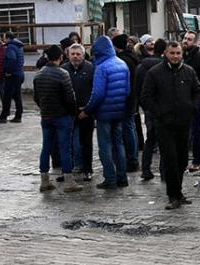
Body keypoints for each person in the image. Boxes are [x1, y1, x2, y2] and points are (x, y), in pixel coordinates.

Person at [141, 41, 200, 210]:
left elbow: (198, 91)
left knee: (182, 159)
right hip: (164, 123)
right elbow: (146, 97)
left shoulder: (188, 72)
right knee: (170, 159)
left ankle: (179, 191)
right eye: (172, 53)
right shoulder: (155, 73)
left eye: (178, 53)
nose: (175, 56)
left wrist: (193, 107)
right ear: (166, 54)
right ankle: (173, 195)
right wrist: (159, 112)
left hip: (184, 123)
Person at [80, 36, 130, 190]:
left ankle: (110, 178)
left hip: (104, 114)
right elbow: (127, 90)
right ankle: (122, 177)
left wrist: (87, 111)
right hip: (119, 111)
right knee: (119, 144)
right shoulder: (122, 64)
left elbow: (98, 94)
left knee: (105, 146)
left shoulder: (101, 68)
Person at [33, 44, 82, 194]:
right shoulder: (62, 74)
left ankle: (44, 180)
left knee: (46, 147)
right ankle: (69, 181)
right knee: (65, 148)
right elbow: (70, 98)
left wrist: (44, 108)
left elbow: (36, 97)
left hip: (46, 116)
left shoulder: (39, 74)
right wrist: (72, 112)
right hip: (61, 116)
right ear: (61, 57)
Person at [63, 43, 95, 182]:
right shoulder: (63, 69)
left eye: (78, 54)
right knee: (66, 142)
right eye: (73, 54)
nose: (75, 57)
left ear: (83, 55)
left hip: (86, 112)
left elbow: (96, 91)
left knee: (86, 142)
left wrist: (88, 109)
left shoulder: (91, 68)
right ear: (68, 55)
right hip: (68, 112)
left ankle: (87, 169)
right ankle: (68, 170)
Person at [135, 39, 166, 180]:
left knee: (150, 139)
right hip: (162, 107)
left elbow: (137, 89)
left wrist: (144, 105)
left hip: (148, 108)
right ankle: (164, 171)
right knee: (165, 140)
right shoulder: (164, 66)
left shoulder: (142, 66)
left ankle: (146, 169)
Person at [112, 34, 140, 172]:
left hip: (126, 98)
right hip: (133, 97)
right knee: (131, 127)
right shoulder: (133, 57)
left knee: (127, 129)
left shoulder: (122, 60)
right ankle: (133, 158)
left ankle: (131, 160)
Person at [183, 31, 200, 171]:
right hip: (182, 99)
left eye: (190, 39)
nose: (186, 41)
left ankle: (196, 160)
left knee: (196, 130)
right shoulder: (182, 55)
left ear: (196, 41)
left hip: (195, 99)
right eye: (185, 38)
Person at [0, 32, 24, 123]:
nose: (3, 40)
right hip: (19, 73)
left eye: (4, 38)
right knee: (17, 96)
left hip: (12, 75)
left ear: (8, 38)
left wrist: (7, 71)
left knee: (7, 96)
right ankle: (18, 115)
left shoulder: (11, 47)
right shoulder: (18, 46)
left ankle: (3, 116)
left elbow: (11, 59)